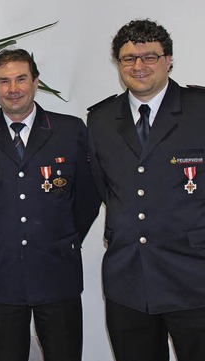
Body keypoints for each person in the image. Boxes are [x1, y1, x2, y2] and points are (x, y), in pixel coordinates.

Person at [0, 49, 100, 361]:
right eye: (4, 81)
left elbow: (88, 197)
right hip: (2, 272)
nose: (13, 88)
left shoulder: (70, 130)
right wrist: (1, 234)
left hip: (56, 268)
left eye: (21, 79)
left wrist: (62, 236)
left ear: (36, 82)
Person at [87, 19, 205, 361]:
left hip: (194, 276)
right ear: (118, 64)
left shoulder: (199, 110)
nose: (138, 66)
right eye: (128, 59)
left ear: (168, 60)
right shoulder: (101, 119)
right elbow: (103, 187)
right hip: (129, 278)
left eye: (149, 57)